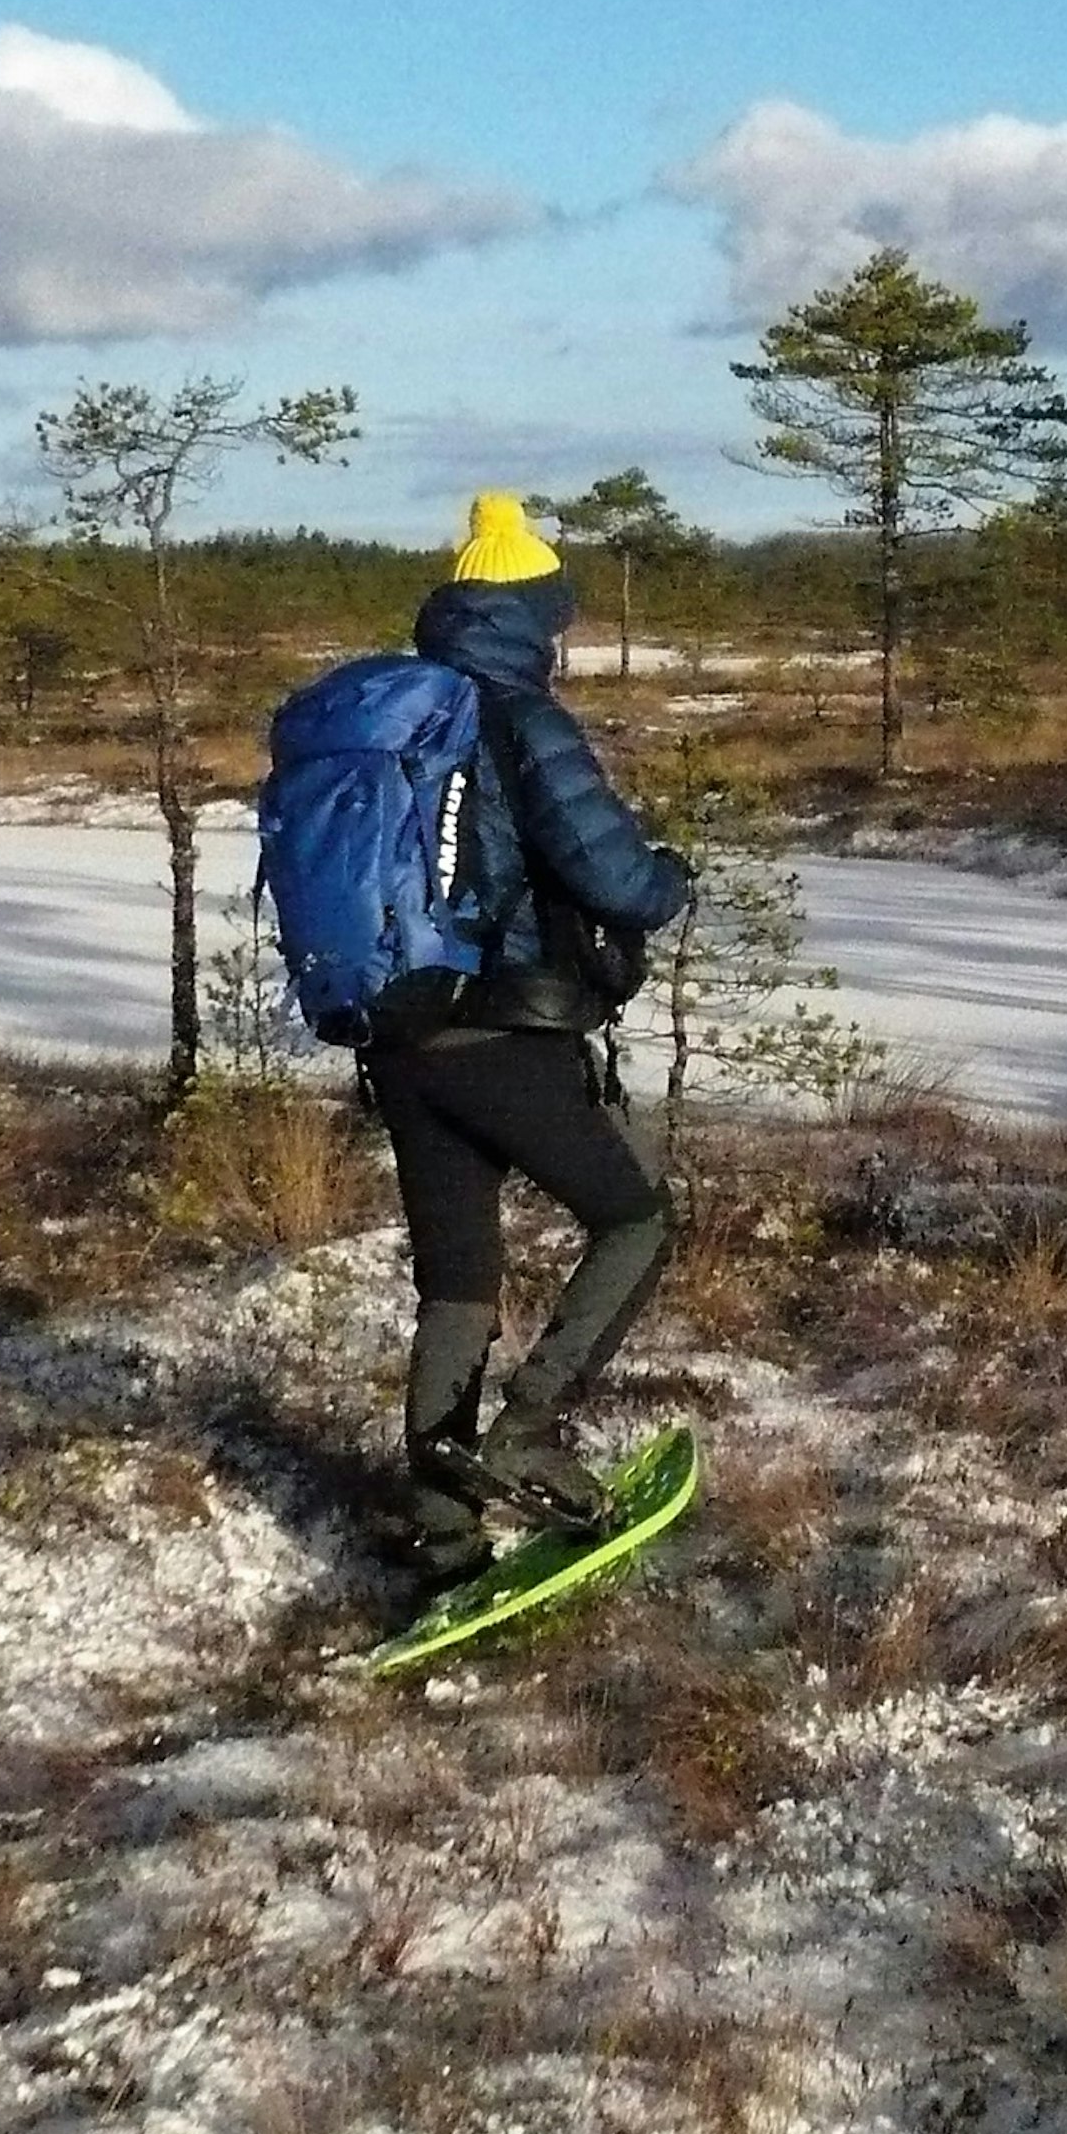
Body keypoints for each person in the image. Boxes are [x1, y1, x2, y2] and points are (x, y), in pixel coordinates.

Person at [373, 494, 692, 1588]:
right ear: (535, 614)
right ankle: (530, 1431)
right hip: (505, 1028)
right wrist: (668, 880)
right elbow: (613, 876)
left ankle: (443, 1533)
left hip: (399, 1036)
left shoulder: (399, 717)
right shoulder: (518, 716)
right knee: (636, 1219)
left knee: (457, 1281)